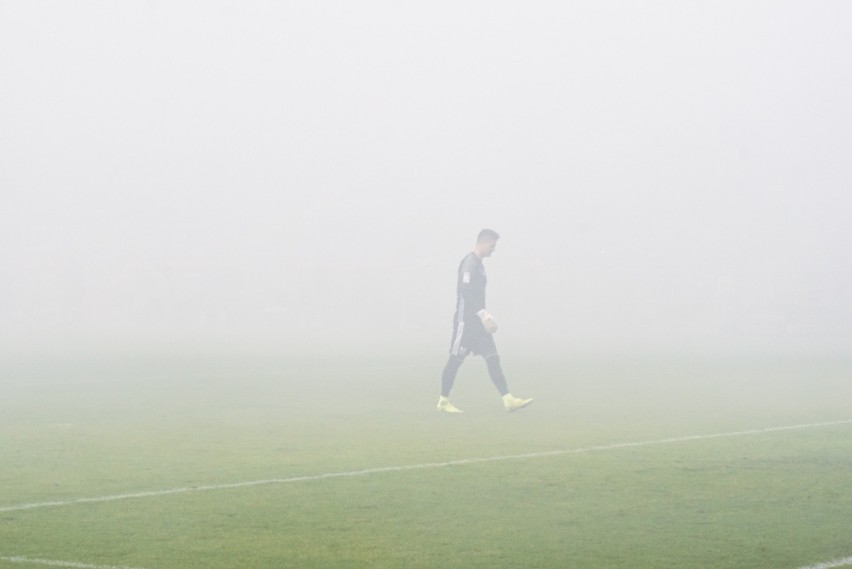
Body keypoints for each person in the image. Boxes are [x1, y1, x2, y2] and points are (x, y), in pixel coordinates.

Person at [436, 229, 533, 414]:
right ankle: (443, 401)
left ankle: (508, 399)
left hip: (478, 325)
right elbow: (465, 290)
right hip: (465, 322)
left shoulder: (479, 265)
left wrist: (483, 317)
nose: (493, 250)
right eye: (492, 246)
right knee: (455, 360)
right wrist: (483, 314)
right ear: (483, 243)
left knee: (493, 358)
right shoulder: (469, 263)